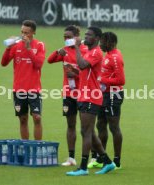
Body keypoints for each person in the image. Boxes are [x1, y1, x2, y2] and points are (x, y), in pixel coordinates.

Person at [66, 27, 116, 176]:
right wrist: (74, 72)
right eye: (86, 34)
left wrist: (76, 48)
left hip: (91, 96)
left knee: (85, 132)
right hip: (84, 95)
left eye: (89, 35)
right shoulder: (88, 52)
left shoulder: (95, 52)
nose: (85, 37)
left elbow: (82, 64)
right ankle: (108, 162)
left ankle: (83, 167)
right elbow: (85, 72)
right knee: (90, 132)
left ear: (97, 38)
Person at [47, 25, 87, 166]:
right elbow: (50, 60)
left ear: (77, 36)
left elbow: (90, 74)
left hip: (83, 94)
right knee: (71, 125)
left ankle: (92, 157)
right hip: (68, 94)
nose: (66, 39)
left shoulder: (84, 50)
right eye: (64, 37)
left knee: (85, 127)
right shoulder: (65, 51)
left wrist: (75, 74)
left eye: (69, 37)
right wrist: (59, 51)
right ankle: (71, 158)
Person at [1, 20, 45, 140]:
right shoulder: (15, 45)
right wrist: (8, 49)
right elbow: (3, 63)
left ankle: (37, 148)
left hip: (34, 89)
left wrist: (28, 48)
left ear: (33, 32)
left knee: (37, 117)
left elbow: (38, 64)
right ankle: (25, 147)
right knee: (23, 119)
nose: (23, 35)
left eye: (27, 33)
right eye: (22, 32)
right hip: (19, 89)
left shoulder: (39, 45)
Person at [87, 32, 125, 170]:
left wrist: (102, 80)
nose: (100, 44)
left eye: (103, 42)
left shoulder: (114, 57)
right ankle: (101, 158)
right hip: (104, 95)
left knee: (114, 127)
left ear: (111, 43)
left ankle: (117, 161)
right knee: (100, 125)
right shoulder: (108, 55)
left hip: (113, 95)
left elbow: (121, 80)